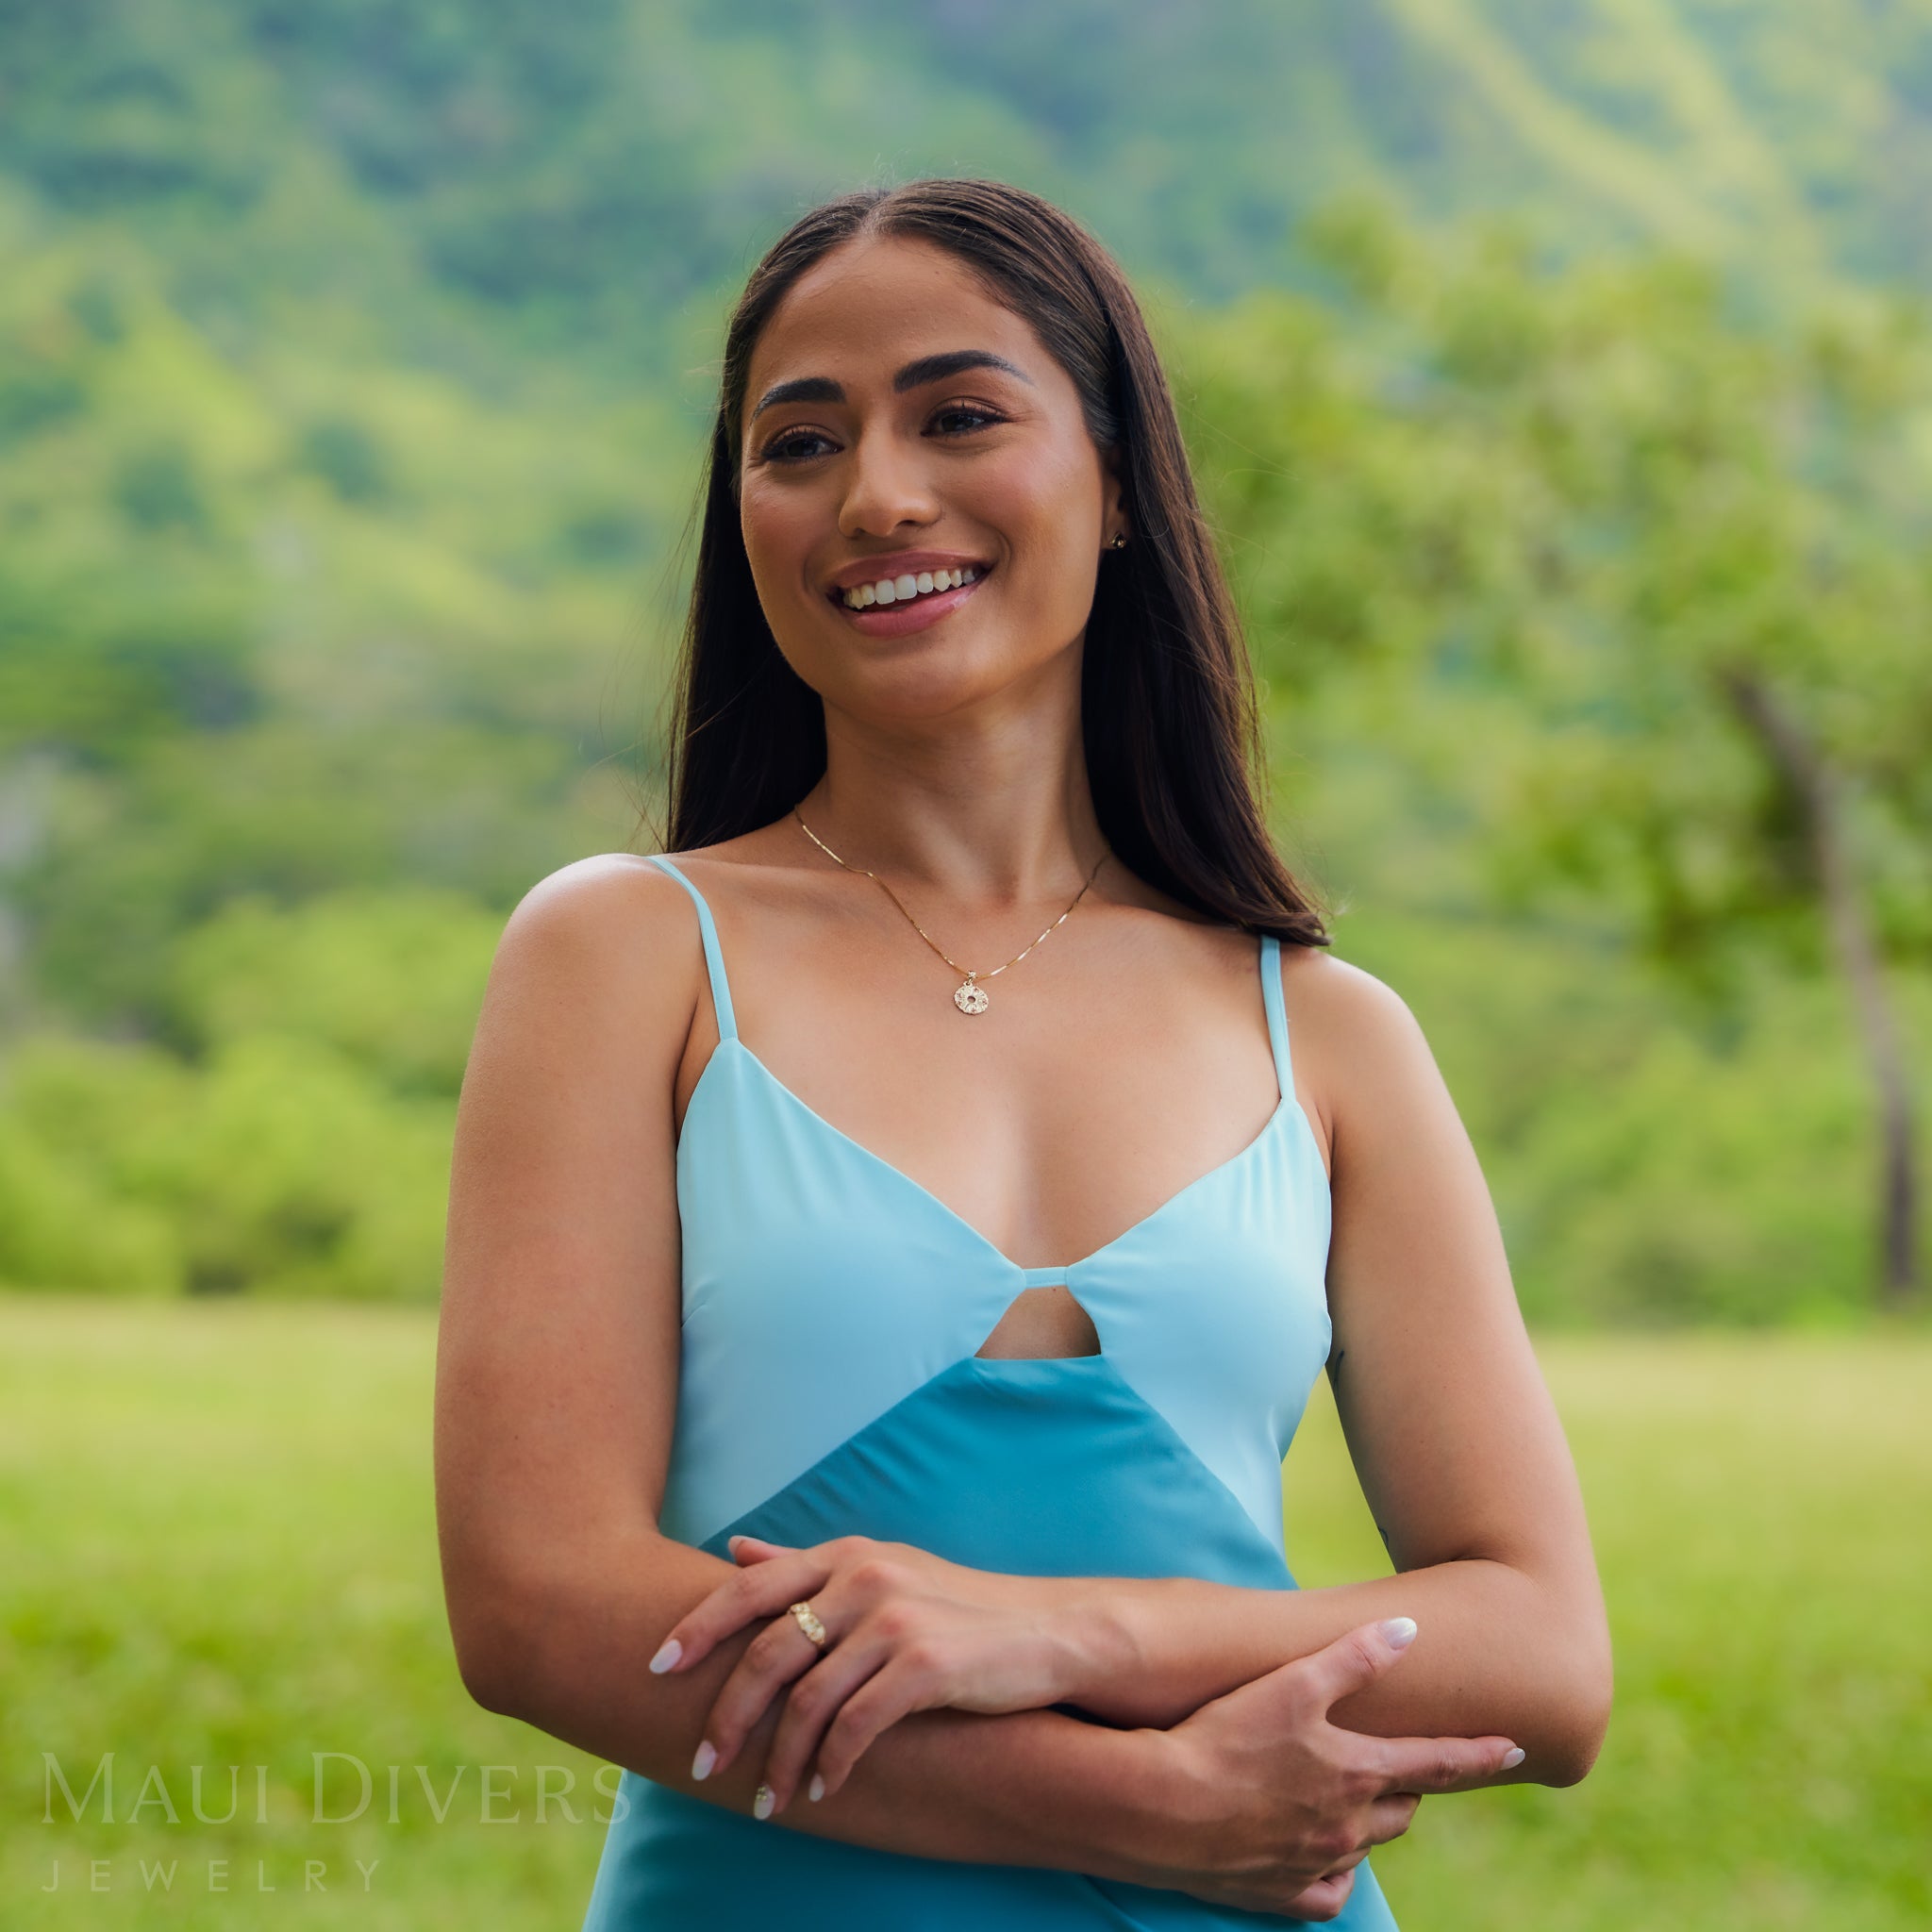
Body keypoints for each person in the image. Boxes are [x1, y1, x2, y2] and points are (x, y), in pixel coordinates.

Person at [433, 177, 1611, 1928]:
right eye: (800, 443)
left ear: (1121, 484)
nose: (877, 496)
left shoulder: (1327, 1032)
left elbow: (1544, 1654)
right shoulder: (627, 954)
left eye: (961, 416)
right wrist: (1132, 1803)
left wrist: (1071, 1632)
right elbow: (536, 1604)